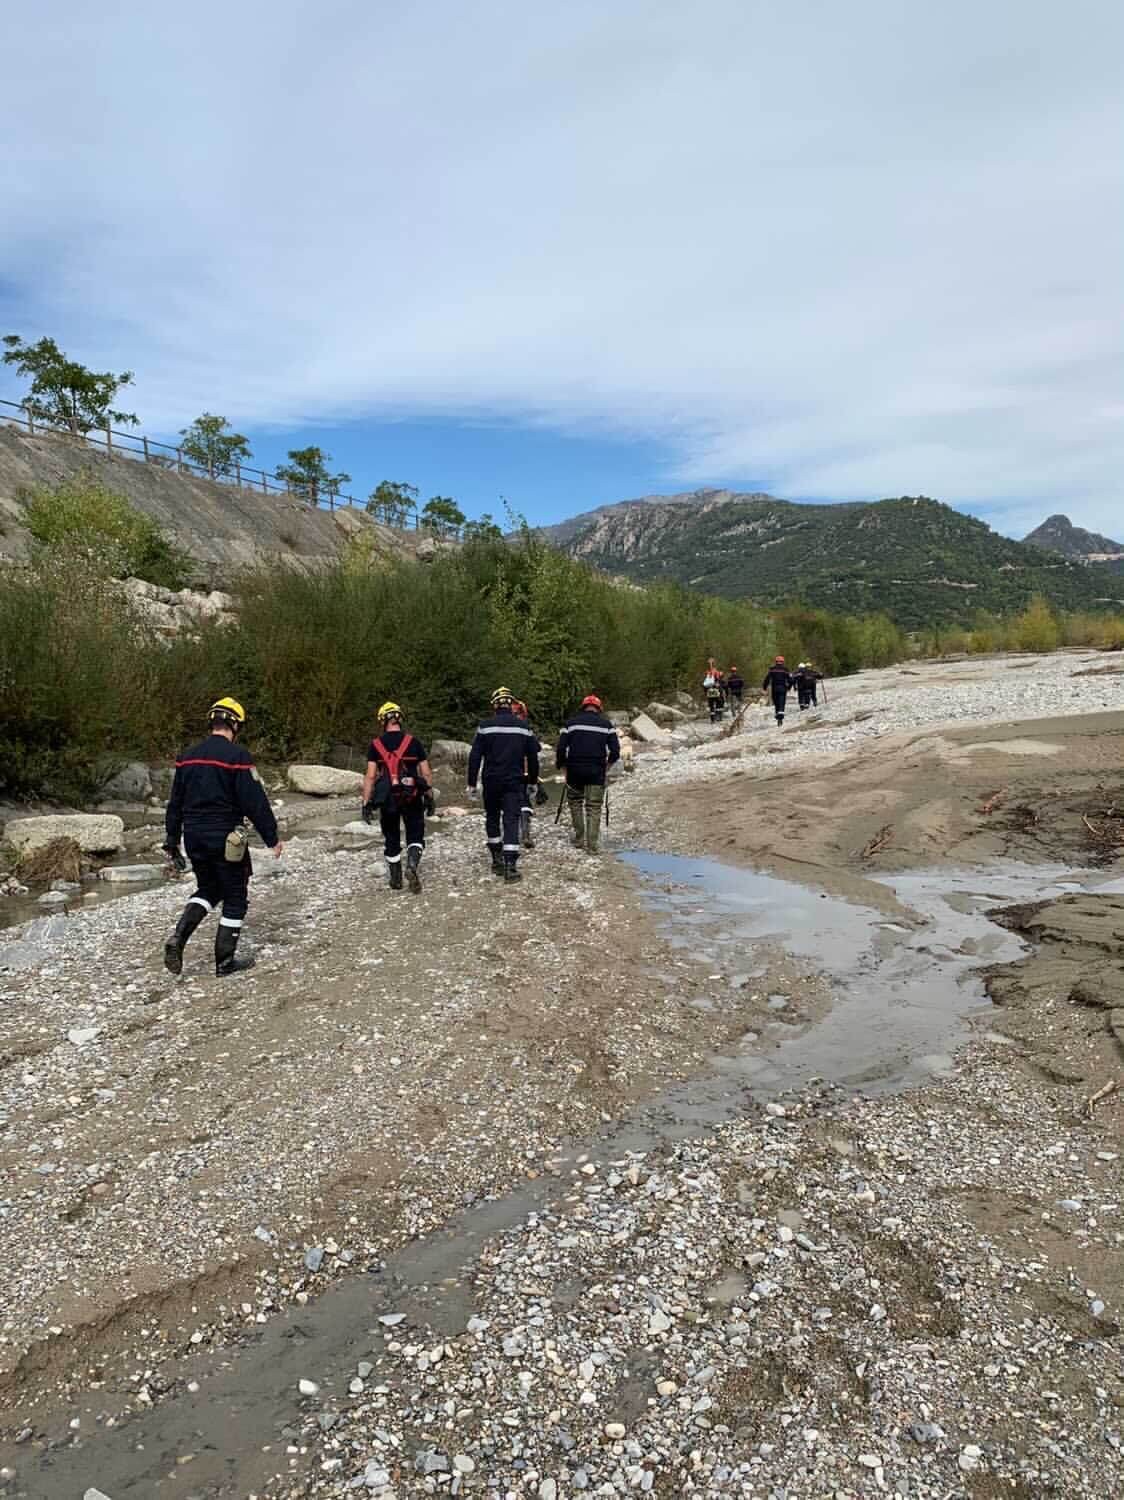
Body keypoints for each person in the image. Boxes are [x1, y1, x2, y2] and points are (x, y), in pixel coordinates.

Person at [162, 697, 283, 978]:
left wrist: (171, 839)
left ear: (212, 721)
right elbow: (255, 801)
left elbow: (175, 802)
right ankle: (225, 962)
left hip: (193, 837)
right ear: (235, 724)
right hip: (226, 837)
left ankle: (178, 938)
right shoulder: (237, 757)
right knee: (236, 896)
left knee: (208, 889)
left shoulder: (187, 756)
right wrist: (271, 837)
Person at [467, 687, 541, 882]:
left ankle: (496, 859)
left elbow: (475, 756)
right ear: (512, 705)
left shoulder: (485, 726)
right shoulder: (523, 727)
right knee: (510, 819)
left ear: (494, 705)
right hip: (513, 781)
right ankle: (510, 866)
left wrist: (472, 783)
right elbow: (533, 757)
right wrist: (533, 781)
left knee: (492, 817)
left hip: (491, 780)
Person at [361, 702, 434, 893]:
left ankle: (395, 879)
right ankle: (411, 865)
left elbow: (370, 776)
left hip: (388, 797)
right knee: (415, 833)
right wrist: (429, 796)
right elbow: (426, 773)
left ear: (382, 721)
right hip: (412, 795)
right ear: (400, 719)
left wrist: (366, 802)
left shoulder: (375, 745)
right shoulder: (413, 742)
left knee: (391, 835)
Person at [555, 694, 620, 854]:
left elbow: (561, 749)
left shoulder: (570, 724)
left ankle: (579, 839)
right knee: (594, 807)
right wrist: (607, 767)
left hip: (574, 770)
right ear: (599, 708)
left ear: (583, 707)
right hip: (596, 770)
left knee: (576, 803)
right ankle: (592, 845)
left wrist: (563, 767)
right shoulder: (606, 725)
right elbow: (616, 751)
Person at [512, 700, 545, 849]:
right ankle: (525, 834)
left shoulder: (499, 727)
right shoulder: (525, 729)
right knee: (524, 801)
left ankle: (509, 835)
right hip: (523, 771)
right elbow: (536, 748)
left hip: (504, 772)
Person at [762, 656, 792, 726]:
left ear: (776, 661)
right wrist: (789, 687)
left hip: (774, 688)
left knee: (776, 702)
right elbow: (791, 679)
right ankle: (780, 717)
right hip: (783, 688)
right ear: (783, 662)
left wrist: (764, 687)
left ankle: (778, 715)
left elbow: (767, 678)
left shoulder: (772, 669)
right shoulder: (785, 669)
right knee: (782, 702)